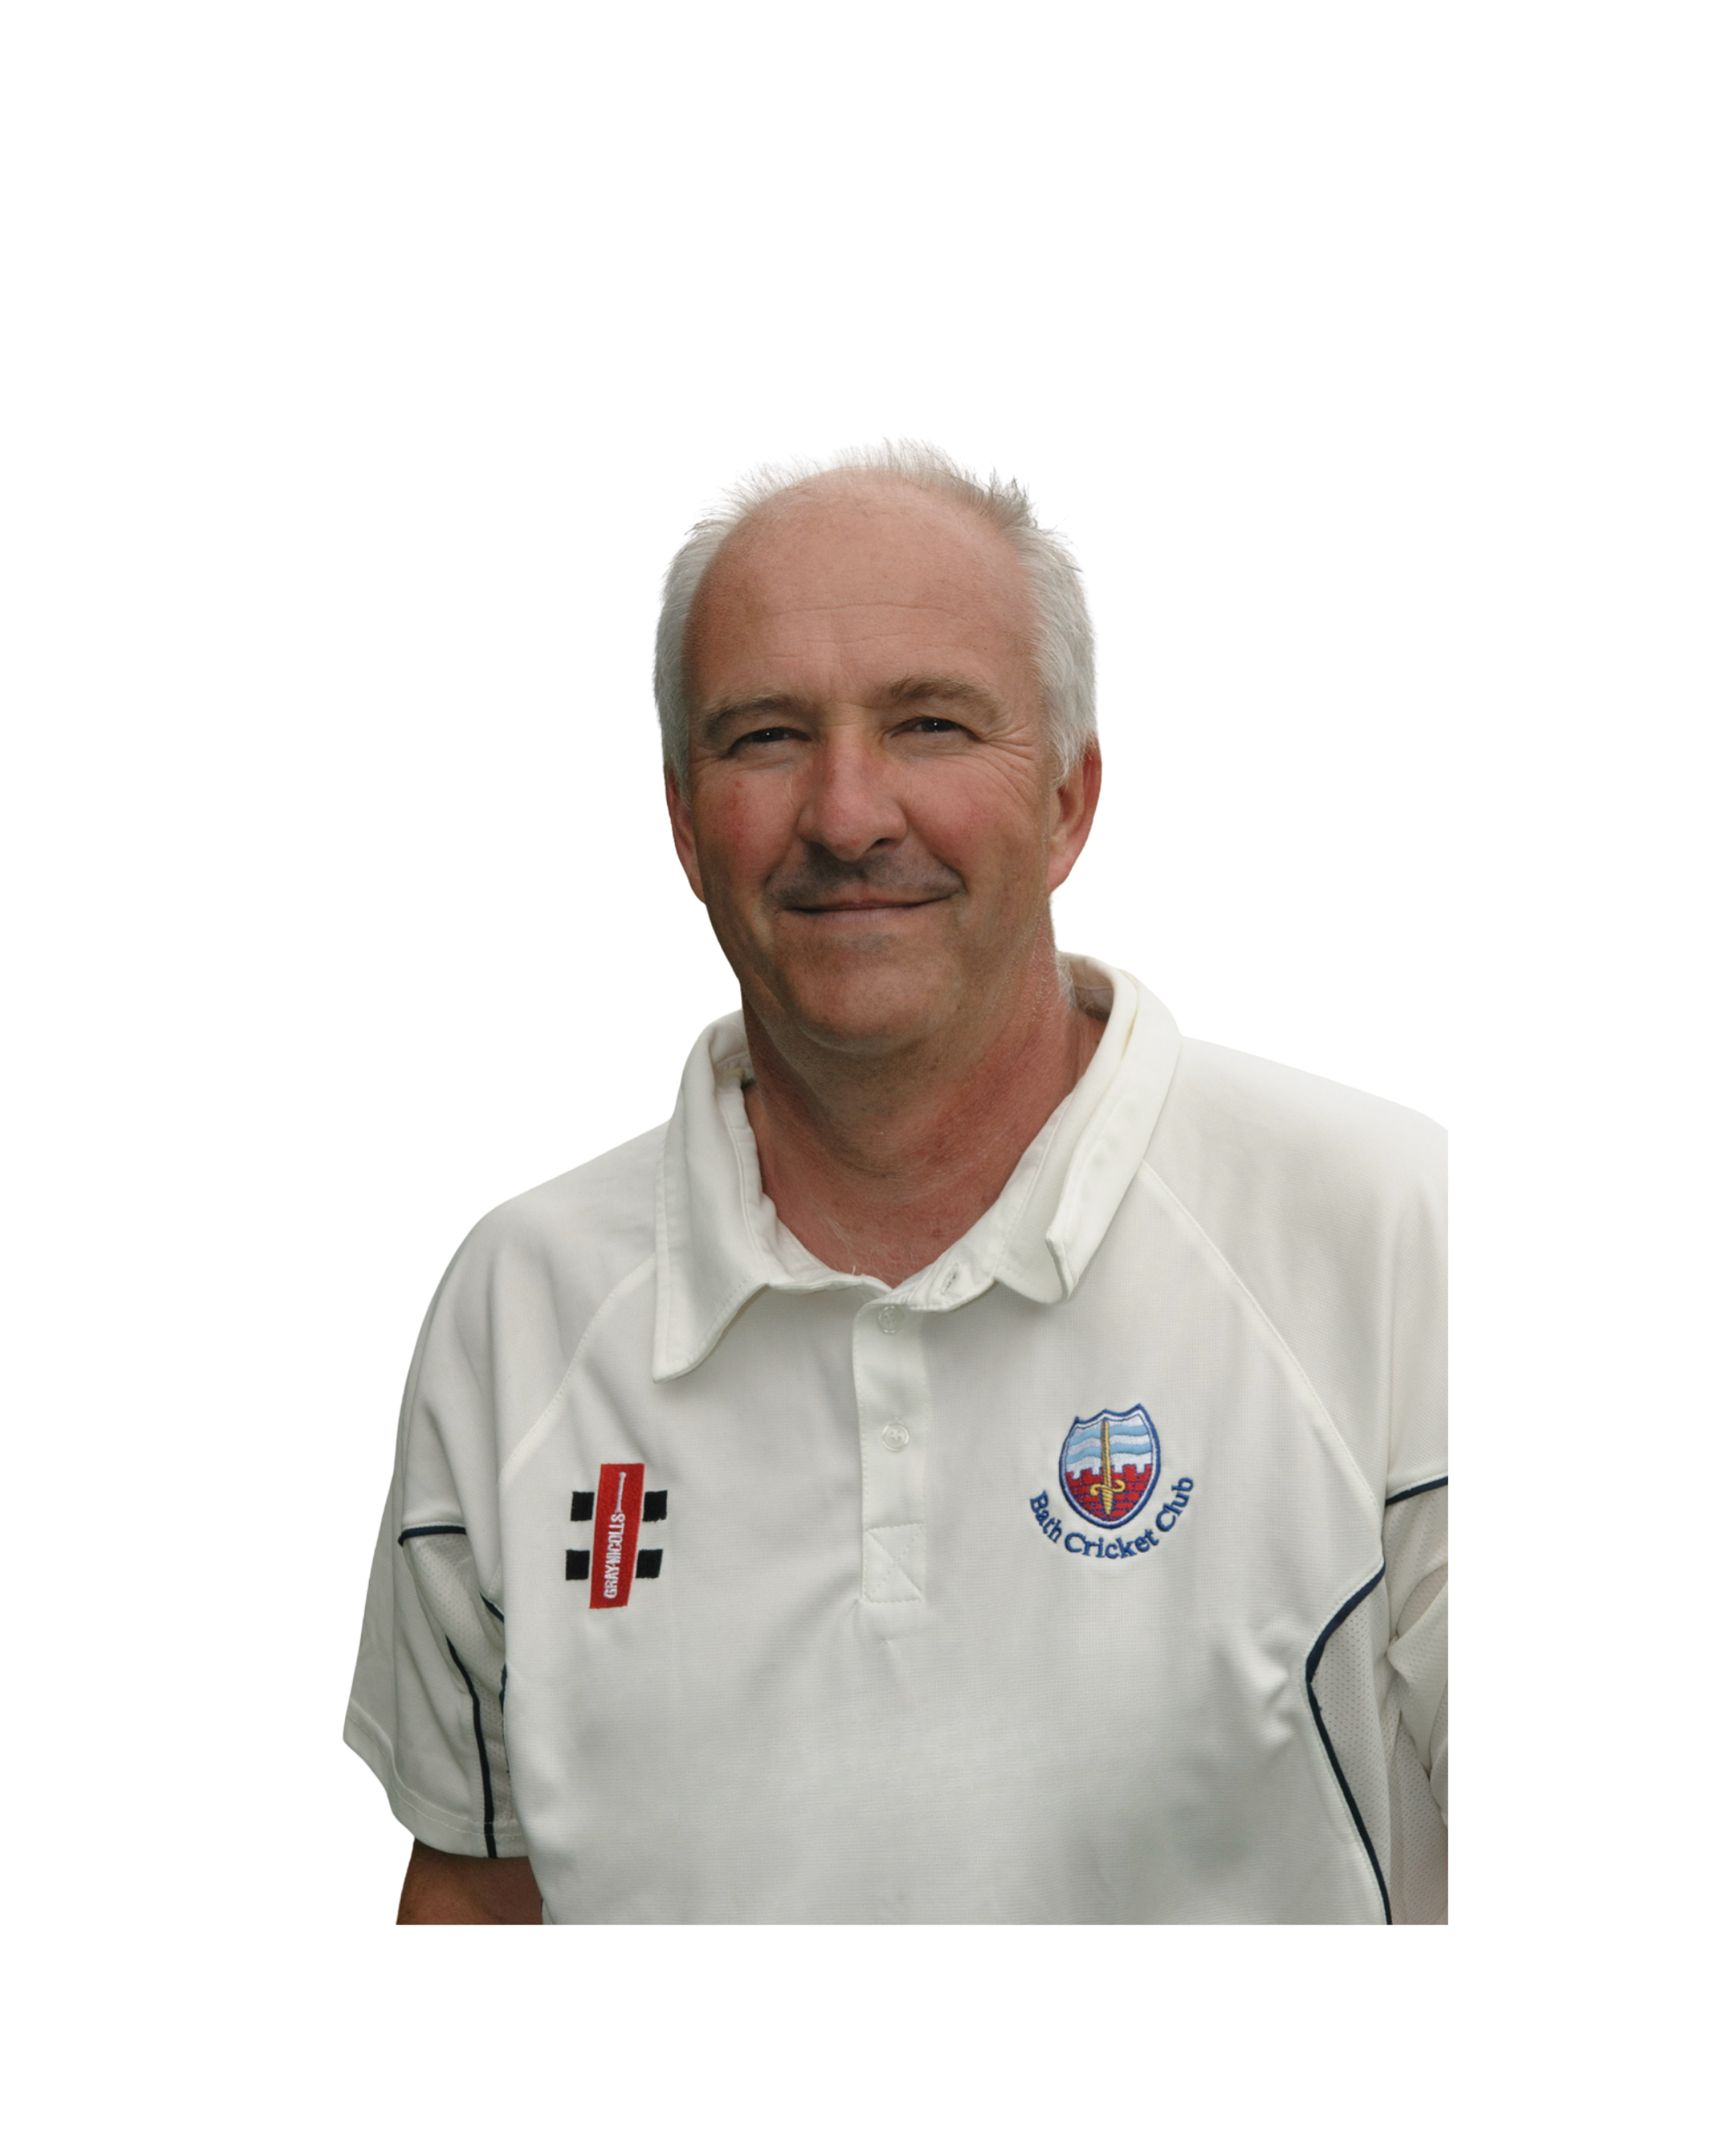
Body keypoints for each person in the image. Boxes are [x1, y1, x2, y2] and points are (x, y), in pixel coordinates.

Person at [348, 437, 1448, 1940]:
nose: (849, 813)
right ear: (680, 824)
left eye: (930, 724)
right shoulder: (516, 1304)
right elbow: (476, 1897)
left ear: (1073, 797)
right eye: (765, 737)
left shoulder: (1391, 1237)